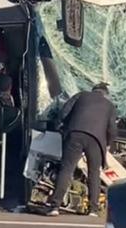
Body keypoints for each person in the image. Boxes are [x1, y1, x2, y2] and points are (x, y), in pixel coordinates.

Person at [45, 82, 118, 216]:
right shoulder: (109, 106)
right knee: (94, 173)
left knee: (66, 169)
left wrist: (60, 126)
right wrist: (108, 144)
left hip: (75, 134)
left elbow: (64, 112)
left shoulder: (81, 95)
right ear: (106, 94)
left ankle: (55, 207)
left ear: (93, 90)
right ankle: (93, 209)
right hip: (96, 140)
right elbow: (112, 129)